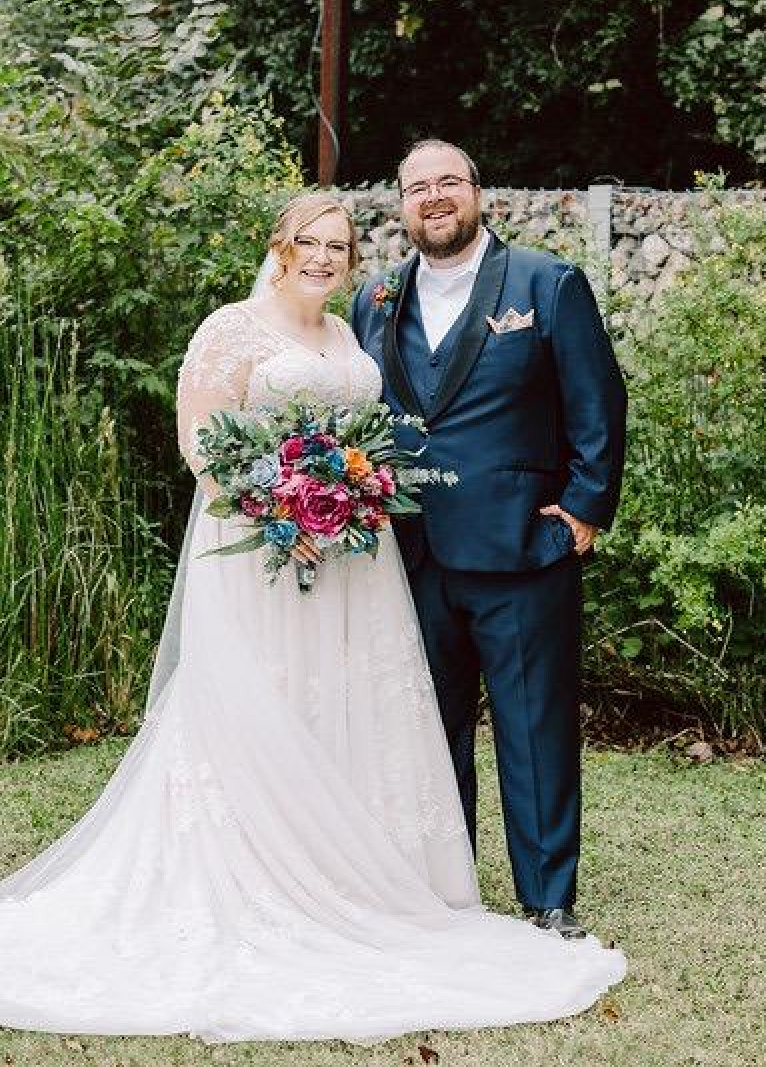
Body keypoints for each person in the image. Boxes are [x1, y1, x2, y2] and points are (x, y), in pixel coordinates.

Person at [0, 194, 624, 1044]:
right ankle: (255, 878)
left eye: (340, 245)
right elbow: (200, 443)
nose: (326, 257)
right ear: (281, 246)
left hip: (355, 562)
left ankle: (352, 877)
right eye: (311, 242)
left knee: (349, 710)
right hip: (263, 553)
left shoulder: (350, 329)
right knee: (265, 706)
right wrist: (280, 510)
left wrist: (347, 495)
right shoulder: (231, 329)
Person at [351, 141, 627, 939]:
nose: (433, 197)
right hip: (410, 550)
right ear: (401, 205)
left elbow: (598, 401)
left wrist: (585, 508)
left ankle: (548, 897)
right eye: (417, 187)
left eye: (449, 182)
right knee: (427, 731)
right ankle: (445, 886)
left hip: (522, 546)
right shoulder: (375, 298)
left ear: (478, 193)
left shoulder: (546, 283)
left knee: (534, 727)